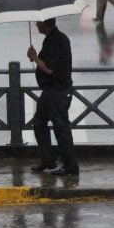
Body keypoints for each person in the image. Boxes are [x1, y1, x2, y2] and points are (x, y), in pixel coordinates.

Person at [26, 18, 79, 175]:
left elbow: (50, 69)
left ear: (46, 24)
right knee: (39, 123)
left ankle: (70, 166)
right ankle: (48, 160)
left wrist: (35, 58)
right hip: (50, 90)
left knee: (61, 128)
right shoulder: (50, 40)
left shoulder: (58, 41)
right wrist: (35, 58)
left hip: (59, 90)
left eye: (38, 23)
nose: (36, 25)